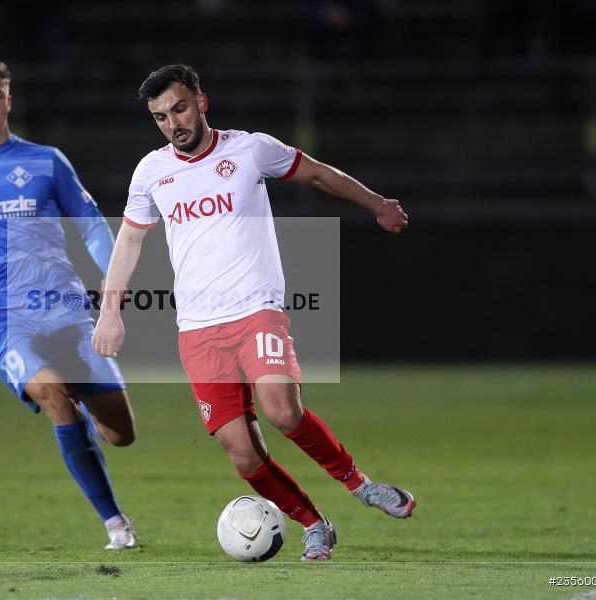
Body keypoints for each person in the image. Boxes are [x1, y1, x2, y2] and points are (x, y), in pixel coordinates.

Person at [92, 64, 413, 561]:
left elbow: (320, 175)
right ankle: (314, 524)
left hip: (256, 310)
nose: (172, 122)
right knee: (242, 451)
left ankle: (359, 485)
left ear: (201, 101)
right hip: (197, 329)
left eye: (179, 107)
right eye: (160, 116)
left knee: (282, 410)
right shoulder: (151, 171)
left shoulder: (249, 149)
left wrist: (376, 203)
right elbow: (131, 238)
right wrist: (109, 311)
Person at [0, 60, 138, 550]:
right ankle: (116, 524)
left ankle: (85, 418)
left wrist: (113, 284)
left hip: (64, 307)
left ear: (9, 100)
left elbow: (89, 222)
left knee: (120, 434)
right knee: (52, 395)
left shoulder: (46, 162)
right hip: (1, 319)